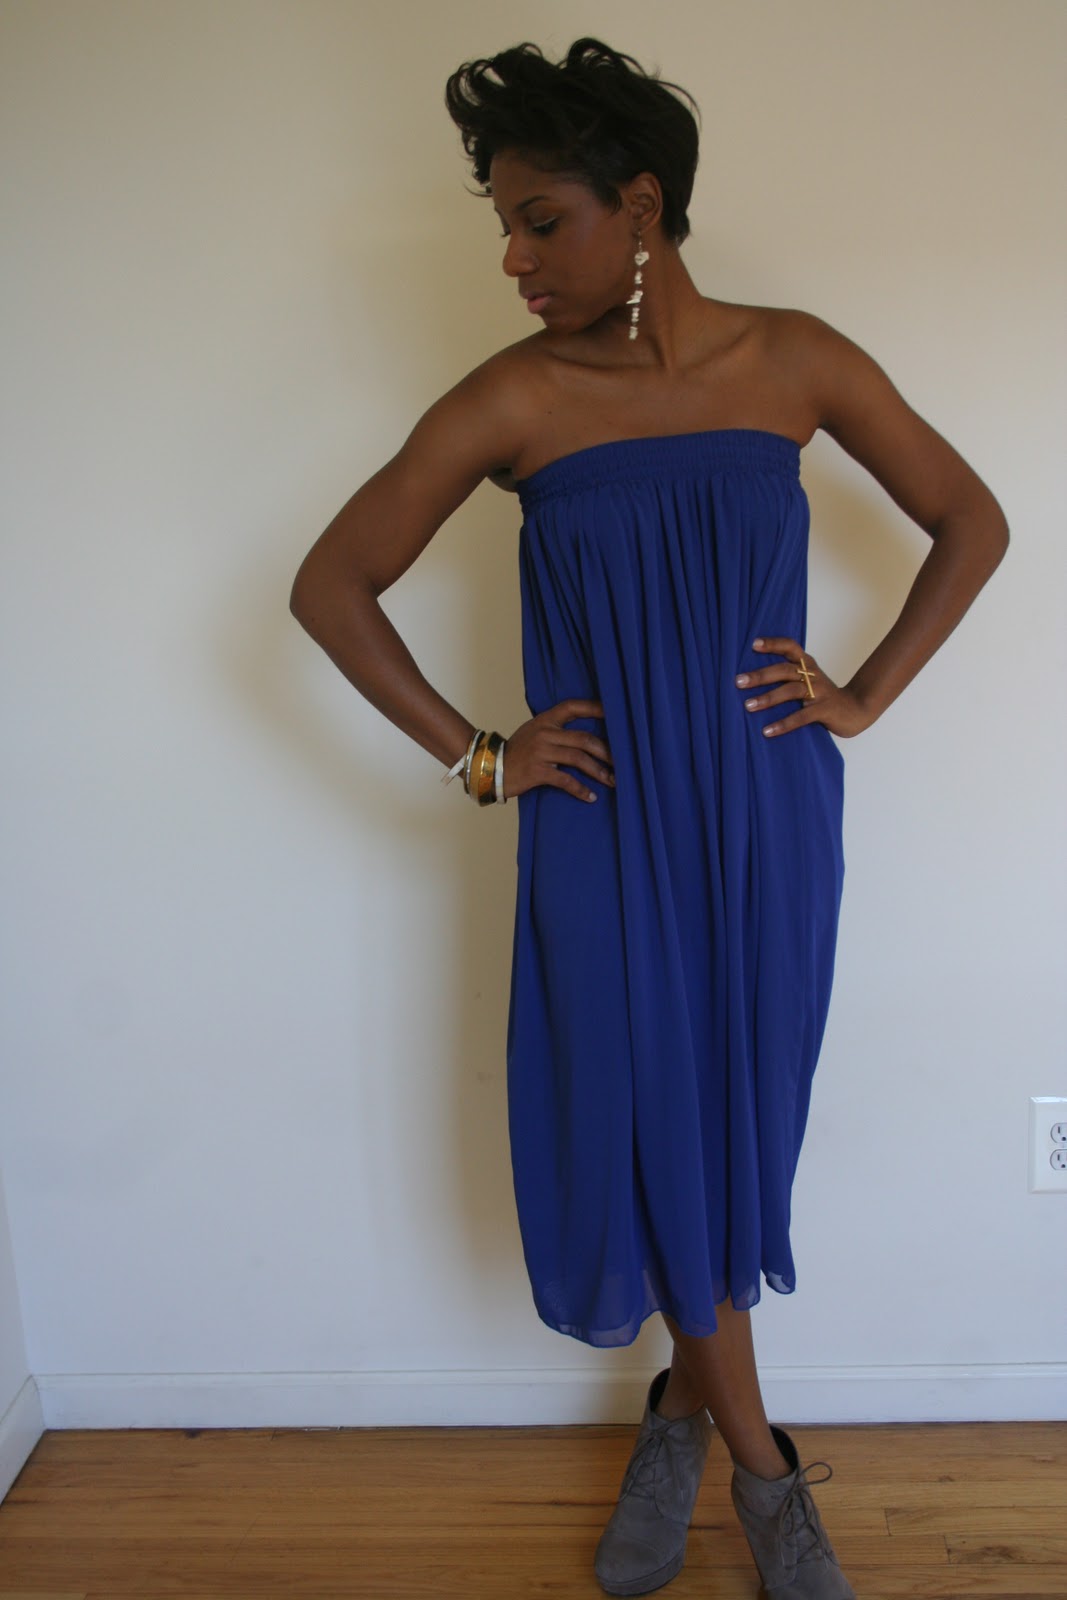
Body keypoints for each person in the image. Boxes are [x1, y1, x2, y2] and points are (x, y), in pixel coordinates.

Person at [290, 36, 1008, 1600]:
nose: (513, 257)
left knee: (736, 1124)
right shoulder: (518, 397)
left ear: (638, 205)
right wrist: (483, 756)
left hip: (766, 814)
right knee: (652, 1114)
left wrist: (863, 694)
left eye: (539, 219)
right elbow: (330, 586)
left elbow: (973, 518)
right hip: (603, 826)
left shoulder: (795, 361)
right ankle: (767, 1478)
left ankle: (675, 1421)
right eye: (505, 224)